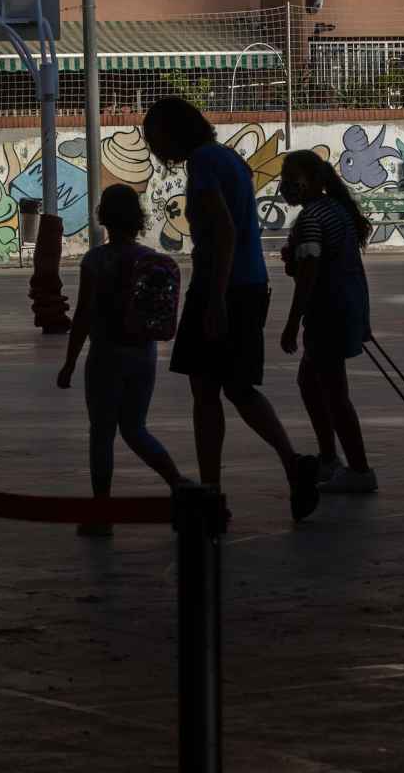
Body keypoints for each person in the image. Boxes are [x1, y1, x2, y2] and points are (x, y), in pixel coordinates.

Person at [141, 97, 321, 521]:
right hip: (251, 284)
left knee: (205, 393)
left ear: (172, 132)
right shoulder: (228, 159)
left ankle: (211, 493)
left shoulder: (203, 163)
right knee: (238, 388)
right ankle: (294, 466)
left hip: (222, 287)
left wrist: (215, 298)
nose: (151, 145)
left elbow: (222, 231)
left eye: (154, 136)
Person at [59, 184, 190, 537]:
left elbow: (83, 316)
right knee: (135, 429)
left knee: (102, 434)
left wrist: (70, 363)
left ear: (103, 217)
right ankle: (178, 483)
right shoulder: (148, 260)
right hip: (143, 355)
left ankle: (102, 512)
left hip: (105, 356)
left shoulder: (95, 261)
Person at [277, 149, 378, 494]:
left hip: (328, 313)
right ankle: (329, 458)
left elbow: (308, 277)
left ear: (314, 180)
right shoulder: (336, 210)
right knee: (310, 381)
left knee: (335, 394)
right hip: (347, 307)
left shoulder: (310, 219)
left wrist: (292, 323)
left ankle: (360, 469)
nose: (285, 183)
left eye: (291, 176)